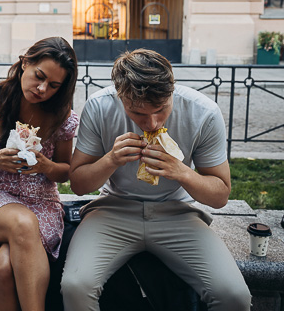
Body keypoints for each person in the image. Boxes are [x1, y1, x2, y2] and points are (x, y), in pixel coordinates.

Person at [61, 49, 251, 311]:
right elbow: (79, 185)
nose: (151, 122)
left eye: (161, 110)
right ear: (120, 96)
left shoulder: (203, 112)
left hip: (177, 213)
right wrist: (111, 160)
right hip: (113, 210)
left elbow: (219, 196)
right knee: (75, 287)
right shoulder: (99, 106)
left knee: (234, 296)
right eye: (137, 113)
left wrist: (181, 171)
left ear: (171, 91)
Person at [0, 36, 79, 311]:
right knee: (22, 223)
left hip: (42, 203)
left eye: (54, 85)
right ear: (25, 63)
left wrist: (45, 166)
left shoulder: (60, 112)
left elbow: (65, 171)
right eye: (39, 76)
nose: (43, 89)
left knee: (5, 267)